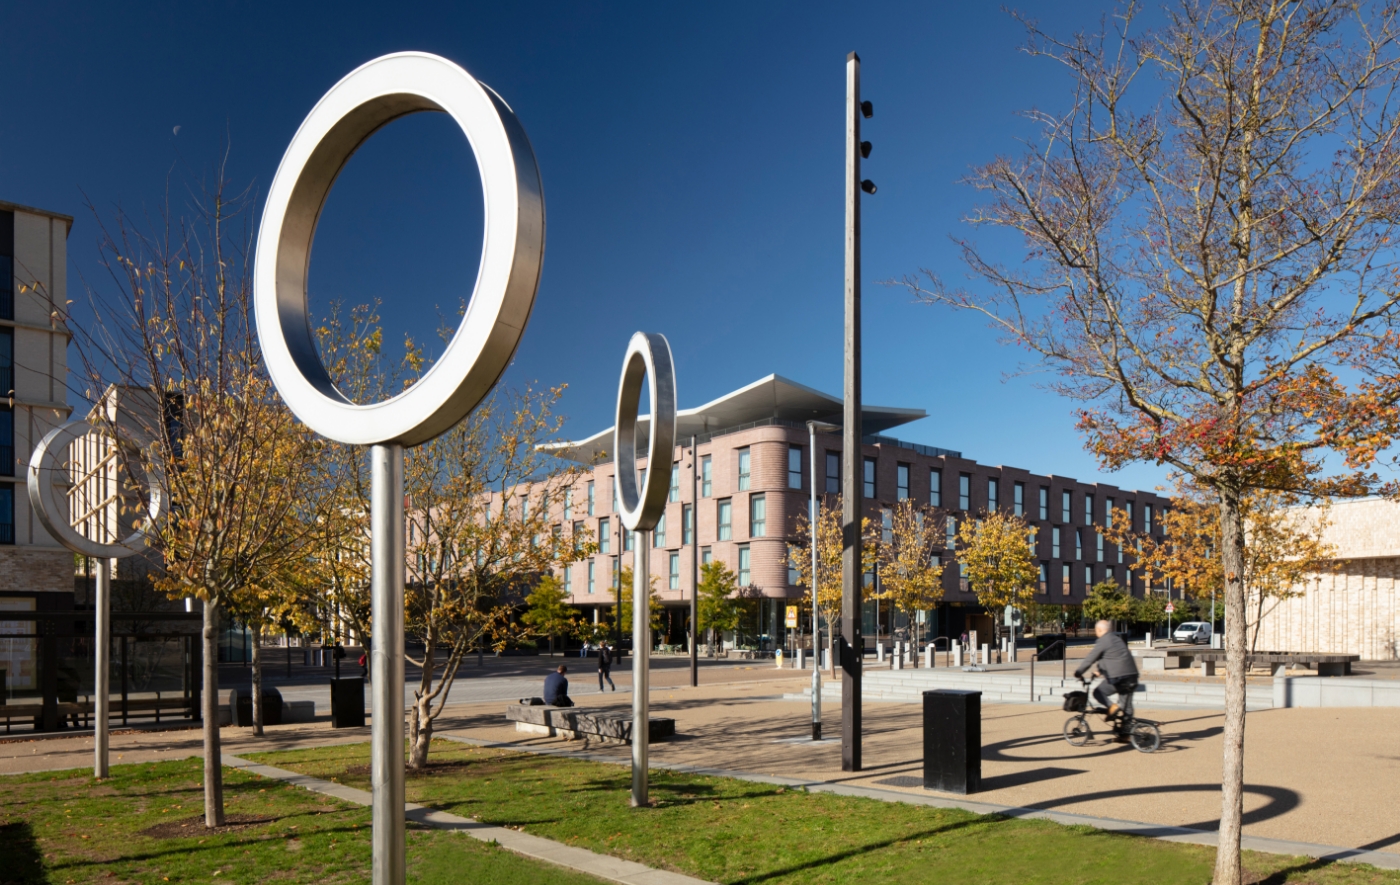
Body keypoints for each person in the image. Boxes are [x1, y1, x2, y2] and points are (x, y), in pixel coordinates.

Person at [1074, 620, 1139, 718]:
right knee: (1126, 707)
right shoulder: (1116, 639)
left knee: (1098, 692)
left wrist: (1078, 672)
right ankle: (1128, 730)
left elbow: (1090, 659)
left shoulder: (1103, 640)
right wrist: (1100, 671)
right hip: (1132, 676)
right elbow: (1111, 658)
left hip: (1120, 678)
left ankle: (1111, 706)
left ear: (1099, 630)